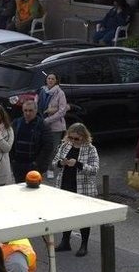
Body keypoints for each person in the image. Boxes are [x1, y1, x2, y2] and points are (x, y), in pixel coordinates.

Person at [50, 123, 100, 256]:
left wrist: (78, 164)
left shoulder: (90, 149)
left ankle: (84, 245)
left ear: (83, 137)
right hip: (65, 185)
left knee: (84, 217)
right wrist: (62, 162)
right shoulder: (65, 145)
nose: (73, 141)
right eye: (71, 138)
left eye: (76, 139)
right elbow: (54, 163)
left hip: (83, 188)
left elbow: (94, 170)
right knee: (66, 215)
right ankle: (65, 241)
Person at [10, 97, 48, 183]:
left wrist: (37, 162)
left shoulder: (43, 125)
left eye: (30, 110)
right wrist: (12, 159)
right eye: (25, 110)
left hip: (34, 165)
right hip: (18, 164)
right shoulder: (16, 123)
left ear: (36, 110)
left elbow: (48, 146)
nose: (28, 113)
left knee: (33, 190)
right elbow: (9, 139)